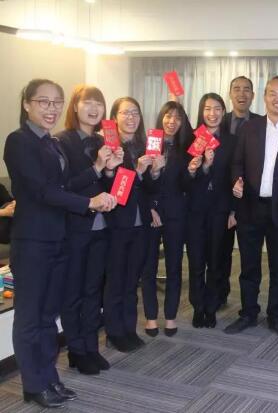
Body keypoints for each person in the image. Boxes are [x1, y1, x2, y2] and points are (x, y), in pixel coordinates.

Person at [4, 78, 116, 408]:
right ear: (27, 104)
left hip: (58, 240)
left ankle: (49, 377)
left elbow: (66, 184)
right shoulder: (19, 141)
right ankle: (33, 384)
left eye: (56, 102)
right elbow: (42, 191)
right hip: (33, 242)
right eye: (43, 101)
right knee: (30, 317)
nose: (51, 108)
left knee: (48, 316)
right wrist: (89, 203)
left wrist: (97, 168)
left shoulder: (51, 143)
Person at [225, 76, 278, 339]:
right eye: (273, 93)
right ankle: (248, 314)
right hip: (250, 207)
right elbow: (236, 163)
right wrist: (236, 181)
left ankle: (277, 317)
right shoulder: (249, 128)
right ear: (264, 97)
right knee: (249, 267)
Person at [57, 85, 123, 375]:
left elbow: (107, 189)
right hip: (74, 228)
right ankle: (76, 349)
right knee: (72, 292)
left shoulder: (103, 140)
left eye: (99, 103)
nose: (94, 108)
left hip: (101, 227)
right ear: (75, 106)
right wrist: (97, 167)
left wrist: (110, 170)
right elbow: (63, 188)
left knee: (93, 291)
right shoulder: (62, 142)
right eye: (88, 103)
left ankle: (90, 347)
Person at [103, 97, 163, 353]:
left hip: (141, 223)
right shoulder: (108, 148)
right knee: (116, 280)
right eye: (125, 113)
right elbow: (115, 191)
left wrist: (155, 172)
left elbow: (149, 189)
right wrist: (138, 171)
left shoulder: (142, 145)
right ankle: (114, 332)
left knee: (132, 280)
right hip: (117, 223)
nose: (131, 118)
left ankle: (129, 329)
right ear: (115, 117)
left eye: (135, 113)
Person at [141, 101, 193, 337]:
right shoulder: (149, 144)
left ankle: (171, 317)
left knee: (174, 267)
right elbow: (142, 184)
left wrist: (191, 171)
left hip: (176, 214)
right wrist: (151, 207)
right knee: (149, 267)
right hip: (152, 214)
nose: (172, 121)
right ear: (161, 117)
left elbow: (186, 186)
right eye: (168, 116)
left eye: (177, 117)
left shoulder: (186, 148)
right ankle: (151, 317)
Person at [186, 93, 237, 328]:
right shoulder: (192, 138)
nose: (212, 114)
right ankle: (198, 307)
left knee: (217, 262)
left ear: (223, 112)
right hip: (195, 210)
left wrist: (233, 211)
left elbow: (236, 176)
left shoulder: (232, 141)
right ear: (201, 111)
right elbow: (185, 178)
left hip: (220, 210)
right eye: (207, 109)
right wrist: (203, 166)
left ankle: (212, 307)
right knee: (196, 262)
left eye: (217, 109)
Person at [220, 76, 261, 307]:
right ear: (230, 94)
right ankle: (220, 295)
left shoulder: (261, 123)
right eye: (236, 89)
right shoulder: (219, 121)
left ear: (253, 96)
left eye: (246, 90)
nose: (241, 94)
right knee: (221, 253)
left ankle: (249, 305)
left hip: (250, 202)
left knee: (249, 257)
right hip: (221, 199)